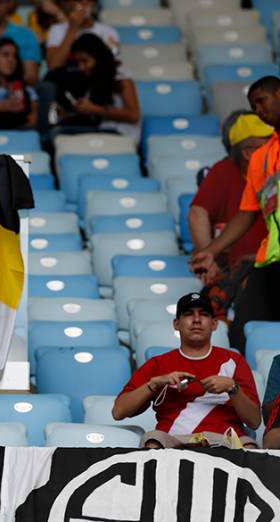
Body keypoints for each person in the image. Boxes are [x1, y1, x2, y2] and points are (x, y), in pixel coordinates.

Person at [192, 76, 280, 353]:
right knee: (243, 334)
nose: (258, 109)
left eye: (262, 101)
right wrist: (212, 250)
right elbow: (247, 214)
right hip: (270, 261)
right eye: (253, 105)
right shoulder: (262, 159)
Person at [112, 293, 261, 448]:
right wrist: (154, 384)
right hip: (174, 440)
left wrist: (232, 388)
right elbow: (118, 412)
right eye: (189, 314)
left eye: (203, 314)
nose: (196, 320)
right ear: (176, 324)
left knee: (250, 447)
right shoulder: (159, 363)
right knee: (152, 442)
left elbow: (255, 421)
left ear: (214, 324)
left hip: (224, 439)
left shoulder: (234, 361)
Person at [188, 112, 270, 330]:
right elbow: (197, 212)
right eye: (269, 143)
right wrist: (209, 256)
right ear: (248, 152)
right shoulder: (225, 171)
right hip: (245, 274)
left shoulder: (273, 174)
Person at [48, 33, 140, 143]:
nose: (81, 67)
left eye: (85, 61)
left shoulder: (121, 75)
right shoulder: (93, 78)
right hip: (100, 131)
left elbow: (134, 115)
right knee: (53, 135)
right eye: (78, 63)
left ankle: (26, 160)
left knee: (56, 134)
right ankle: (28, 159)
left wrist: (95, 110)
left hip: (121, 133)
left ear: (98, 57)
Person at [44, 0, 119, 70]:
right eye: (79, 0)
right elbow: (53, 66)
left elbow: (114, 64)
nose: (84, 2)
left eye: (89, 0)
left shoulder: (109, 32)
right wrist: (73, 28)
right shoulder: (56, 30)